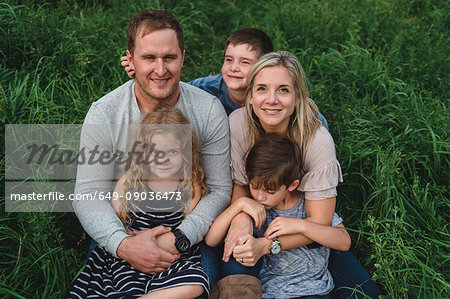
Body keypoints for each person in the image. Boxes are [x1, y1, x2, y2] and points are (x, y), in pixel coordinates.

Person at [73, 8, 231, 283]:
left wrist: (180, 237)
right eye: (149, 58)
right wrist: (123, 244)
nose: (160, 70)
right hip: (125, 227)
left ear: (182, 58)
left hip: (188, 228)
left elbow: (219, 190)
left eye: (169, 57)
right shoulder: (105, 113)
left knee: (200, 286)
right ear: (131, 60)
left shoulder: (207, 110)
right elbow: (88, 193)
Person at [223, 51, 382, 298]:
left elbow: (318, 222)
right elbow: (241, 185)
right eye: (262, 89)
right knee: (236, 273)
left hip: (306, 227)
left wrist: (269, 246)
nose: (272, 100)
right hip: (259, 221)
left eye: (283, 90)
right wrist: (241, 216)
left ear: (297, 97)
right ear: (250, 96)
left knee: (366, 294)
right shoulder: (238, 123)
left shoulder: (317, 140)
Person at [70, 107, 210, 298]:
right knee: (122, 287)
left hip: (170, 258)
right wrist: (134, 243)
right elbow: (116, 218)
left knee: (196, 282)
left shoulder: (189, 185)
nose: (164, 159)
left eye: (172, 151)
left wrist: (164, 247)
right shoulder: (131, 180)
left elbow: (189, 224)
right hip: (130, 259)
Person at [206, 134, 351, 298]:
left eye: (270, 191)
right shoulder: (255, 209)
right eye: (254, 186)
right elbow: (211, 239)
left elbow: (344, 241)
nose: (260, 197)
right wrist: (239, 204)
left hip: (313, 290)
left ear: (292, 185)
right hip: (269, 292)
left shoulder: (309, 206)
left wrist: (300, 225)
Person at [122, 27, 327, 128]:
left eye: (245, 62)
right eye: (229, 60)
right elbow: (175, 91)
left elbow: (316, 123)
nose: (234, 68)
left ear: (264, 65)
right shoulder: (209, 87)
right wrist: (143, 75)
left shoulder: (280, 101)